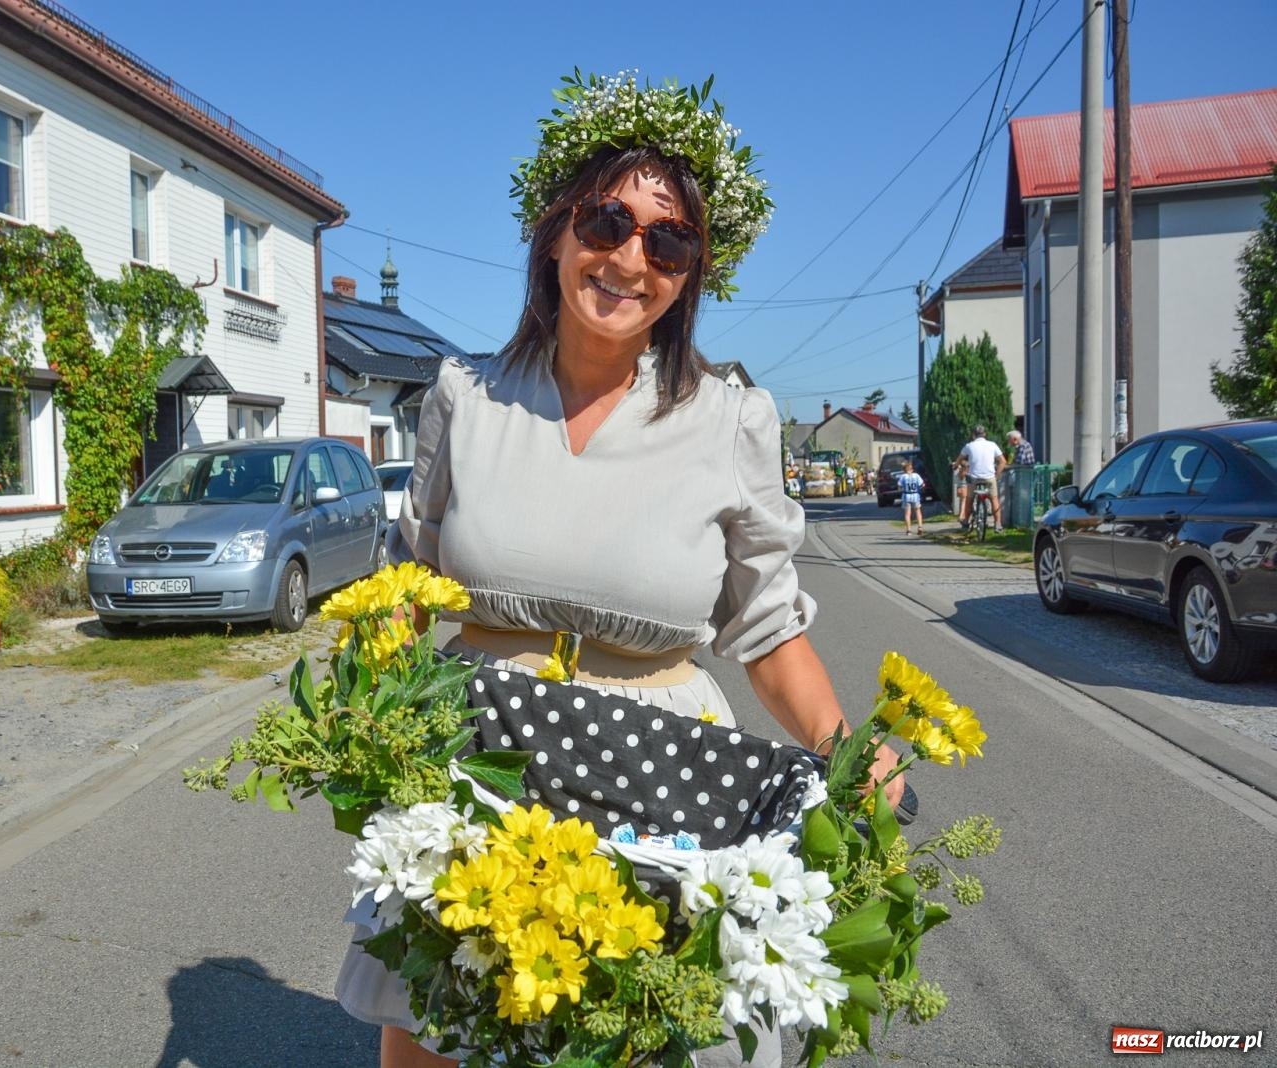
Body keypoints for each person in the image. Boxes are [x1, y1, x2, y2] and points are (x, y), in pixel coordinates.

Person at [333, 71, 904, 1068]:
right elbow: (407, 583)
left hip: (662, 776)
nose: (630, 257)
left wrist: (853, 759)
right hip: (477, 758)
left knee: (639, 1038)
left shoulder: (730, 419)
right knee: (433, 1032)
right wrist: (358, 722)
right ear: (553, 233)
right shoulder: (463, 397)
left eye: (667, 239)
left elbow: (767, 630)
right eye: (605, 220)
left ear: (691, 272)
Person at [956, 424, 1006, 532]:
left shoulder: (969, 446)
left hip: (974, 478)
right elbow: (1003, 461)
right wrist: (997, 475)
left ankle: (965, 521)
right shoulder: (992, 445)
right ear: (984, 434)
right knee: (994, 499)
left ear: (973, 435)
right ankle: (998, 524)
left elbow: (959, 459)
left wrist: (955, 465)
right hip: (989, 477)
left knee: (969, 499)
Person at [898, 459, 925, 535]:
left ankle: (909, 530)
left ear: (904, 470)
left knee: (907, 514)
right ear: (912, 469)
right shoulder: (916, 475)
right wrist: (921, 489)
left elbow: (899, 486)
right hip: (915, 495)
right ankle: (920, 527)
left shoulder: (903, 476)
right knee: (918, 511)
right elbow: (922, 484)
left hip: (906, 495)